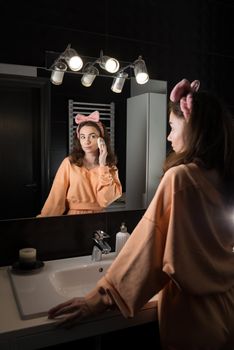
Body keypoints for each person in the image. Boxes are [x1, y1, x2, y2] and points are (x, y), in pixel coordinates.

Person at [47, 79, 234, 349]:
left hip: (194, 320)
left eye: (172, 127)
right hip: (226, 309)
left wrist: (100, 297)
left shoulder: (180, 178)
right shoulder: (225, 177)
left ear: (194, 129)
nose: (168, 137)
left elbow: (148, 248)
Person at [38, 110, 122, 216]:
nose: (86, 141)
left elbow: (105, 201)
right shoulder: (69, 163)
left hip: (100, 218)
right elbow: (56, 197)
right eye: (83, 137)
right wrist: (44, 222)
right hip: (73, 218)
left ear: (101, 139)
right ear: (79, 139)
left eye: (92, 136)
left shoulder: (110, 167)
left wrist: (102, 165)